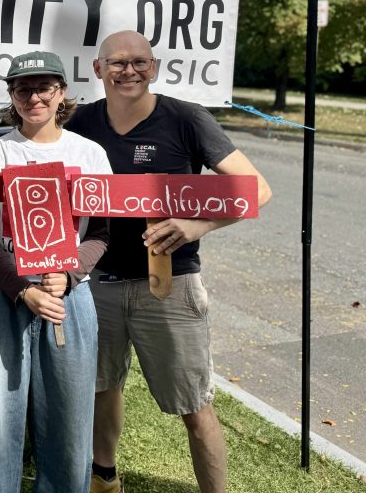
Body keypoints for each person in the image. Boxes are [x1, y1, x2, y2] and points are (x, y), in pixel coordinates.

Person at [67, 30, 272, 493]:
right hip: (96, 280)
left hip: (170, 282)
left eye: (139, 62)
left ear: (153, 68)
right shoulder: (80, 122)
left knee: (194, 407)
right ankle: (104, 477)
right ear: (98, 70)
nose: (129, 72)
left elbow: (255, 189)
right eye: (117, 63)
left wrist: (197, 226)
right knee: (101, 387)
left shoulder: (186, 119)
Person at [0, 51, 112, 493]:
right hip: (2, 296)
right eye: (22, 88)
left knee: (69, 420)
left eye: (44, 87)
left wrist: (69, 274)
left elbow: (102, 232)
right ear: (11, 96)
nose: (34, 97)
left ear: (62, 92)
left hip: (69, 300)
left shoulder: (89, 153)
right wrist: (20, 289)